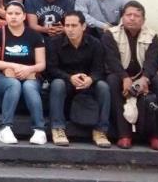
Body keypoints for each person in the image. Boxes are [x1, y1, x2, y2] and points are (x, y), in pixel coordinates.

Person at [101, 0, 158, 150]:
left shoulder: (152, 35)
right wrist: (124, 78)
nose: (132, 18)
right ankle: (124, 135)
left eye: (137, 16)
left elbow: (153, 61)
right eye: (128, 15)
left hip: (144, 75)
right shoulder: (111, 34)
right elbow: (111, 60)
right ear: (122, 17)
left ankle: (156, 136)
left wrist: (145, 79)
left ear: (143, 20)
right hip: (120, 74)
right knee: (112, 81)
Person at [47, 11, 111, 148]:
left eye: (74, 25)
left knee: (103, 87)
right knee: (57, 84)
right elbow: (51, 69)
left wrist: (91, 79)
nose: (70, 29)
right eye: (67, 25)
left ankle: (100, 130)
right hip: (66, 82)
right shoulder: (55, 42)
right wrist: (69, 78)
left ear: (83, 26)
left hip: (88, 83)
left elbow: (99, 69)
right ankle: (57, 128)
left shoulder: (95, 43)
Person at [0, 1, 46, 145]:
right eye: (10, 13)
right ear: (5, 16)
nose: (13, 16)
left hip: (30, 75)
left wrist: (28, 69)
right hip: (3, 76)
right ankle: (5, 128)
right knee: (14, 84)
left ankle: (39, 130)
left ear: (24, 16)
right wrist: (15, 66)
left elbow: (41, 64)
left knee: (29, 87)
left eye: (17, 13)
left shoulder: (34, 35)